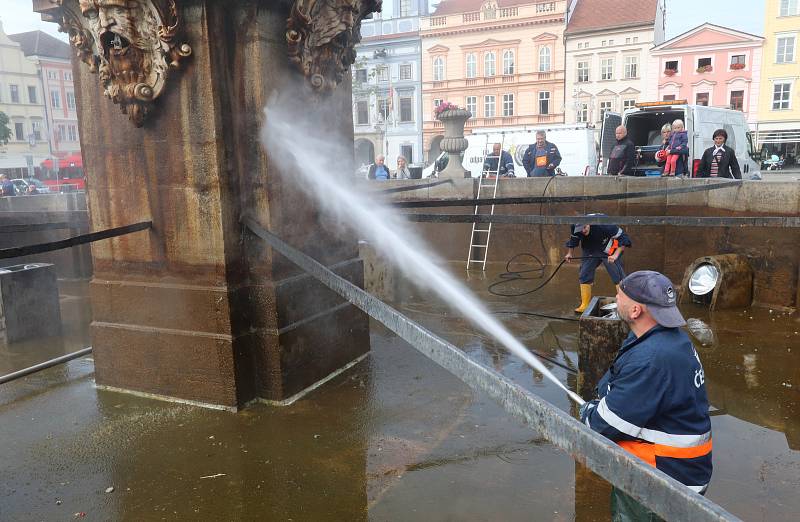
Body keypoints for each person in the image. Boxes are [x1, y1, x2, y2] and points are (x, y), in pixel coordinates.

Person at [580, 270, 712, 520]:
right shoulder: (670, 340)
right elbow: (624, 383)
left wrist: (588, 413)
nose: (615, 299)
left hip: (659, 483)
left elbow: (605, 426)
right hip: (682, 474)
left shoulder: (651, 359)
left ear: (635, 311)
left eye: (619, 296)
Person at [565, 215, 631, 313]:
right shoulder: (575, 226)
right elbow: (574, 239)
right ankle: (585, 304)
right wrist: (569, 253)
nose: (583, 230)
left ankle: (625, 304)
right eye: (580, 229)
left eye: (584, 227)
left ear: (589, 223)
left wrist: (616, 255)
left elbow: (624, 239)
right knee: (584, 273)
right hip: (590, 248)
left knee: (617, 275)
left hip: (608, 249)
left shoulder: (604, 224)